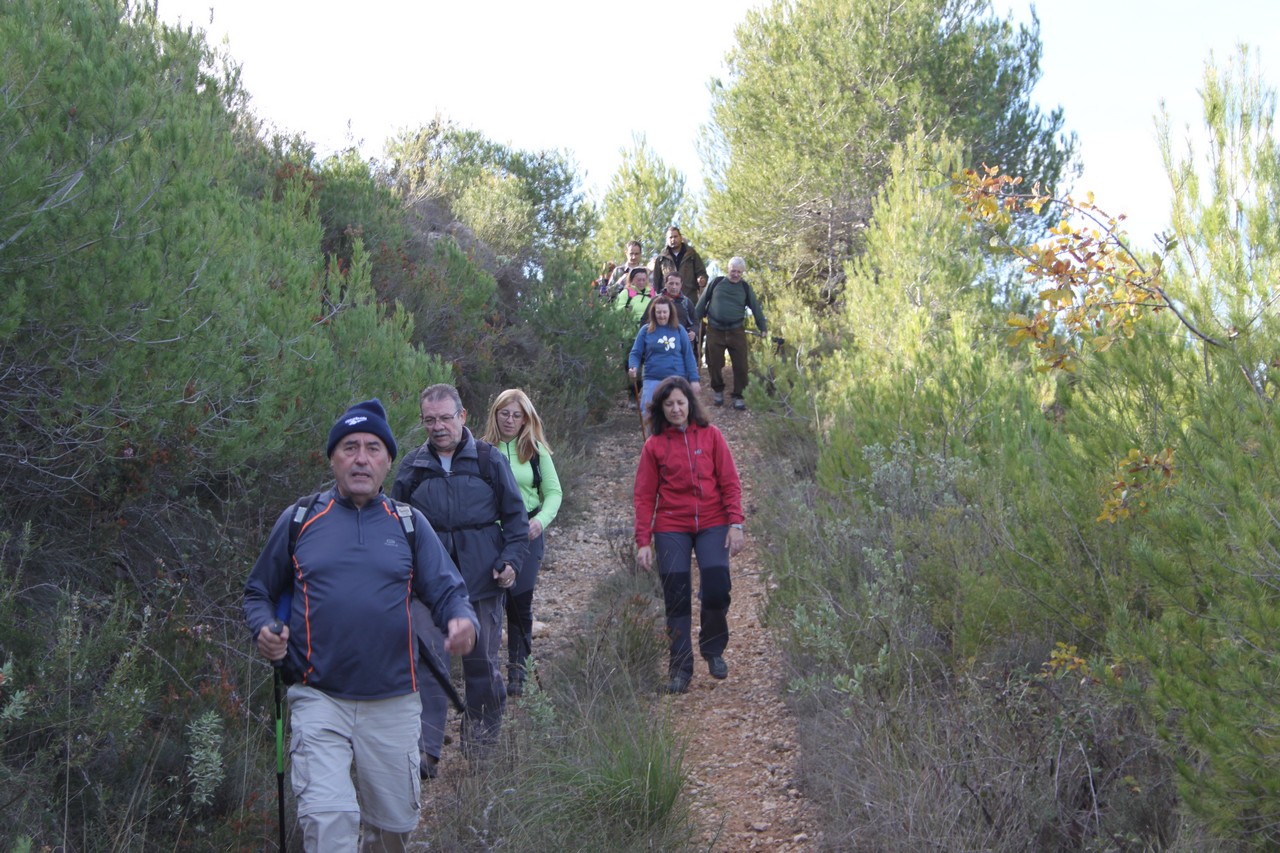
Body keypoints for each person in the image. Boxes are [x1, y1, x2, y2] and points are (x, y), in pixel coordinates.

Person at [244, 398, 479, 851]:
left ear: (388, 461)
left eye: (373, 448)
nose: (361, 458)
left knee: (393, 828)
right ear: (332, 458)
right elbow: (258, 592)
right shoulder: (299, 520)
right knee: (327, 821)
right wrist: (265, 629)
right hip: (318, 696)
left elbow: (448, 591)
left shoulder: (408, 524)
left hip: (392, 699)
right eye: (349, 447)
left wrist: (461, 621)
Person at [392, 384, 529, 774]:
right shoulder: (413, 467)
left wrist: (510, 561)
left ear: (462, 416)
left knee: (482, 665)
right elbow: (395, 527)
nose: (438, 427)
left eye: (445, 418)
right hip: (428, 587)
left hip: (482, 581)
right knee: (428, 663)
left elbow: (516, 520)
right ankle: (426, 751)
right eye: (429, 420)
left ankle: (480, 750)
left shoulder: (488, 460)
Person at [633, 377, 745, 695]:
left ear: (690, 404)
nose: (675, 409)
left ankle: (713, 648)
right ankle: (680, 668)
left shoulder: (711, 436)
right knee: (676, 595)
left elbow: (730, 482)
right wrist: (643, 541)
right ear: (661, 409)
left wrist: (735, 523)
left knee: (717, 587)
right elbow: (644, 496)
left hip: (713, 521)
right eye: (669, 404)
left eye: (680, 403)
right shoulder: (654, 445)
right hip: (671, 525)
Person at [480, 389, 563, 697]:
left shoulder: (535, 451)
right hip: (490, 534)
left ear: (526, 419)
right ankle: (485, 671)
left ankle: (518, 670)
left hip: (527, 533)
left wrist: (540, 521)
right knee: (490, 603)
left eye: (517, 415)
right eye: (505, 413)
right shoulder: (481, 450)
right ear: (495, 415)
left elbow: (553, 493)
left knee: (520, 600)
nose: (510, 420)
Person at [694, 256, 768, 410]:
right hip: (715, 329)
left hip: (736, 330)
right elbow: (702, 303)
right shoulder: (716, 283)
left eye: (739, 272)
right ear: (728, 269)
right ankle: (718, 390)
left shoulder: (745, 288)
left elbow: (756, 308)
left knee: (741, 365)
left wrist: (763, 327)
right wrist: (694, 323)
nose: (736, 274)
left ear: (742, 273)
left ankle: (739, 395)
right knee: (714, 362)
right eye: (733, 271)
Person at [628, 295, 701, 419]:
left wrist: (694, 379)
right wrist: (633, 367)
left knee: (677, 412)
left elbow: (689, 356)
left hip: (677, 378)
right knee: (648, 412)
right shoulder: (645, 330)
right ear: (653, 313)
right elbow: (635, 353)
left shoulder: (679, 330)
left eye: (664, 312)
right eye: (658, 312)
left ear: (670, 312)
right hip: (652, 377)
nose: (661, 315)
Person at [654, 226, 708, 305]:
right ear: (667, 239)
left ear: (680, 237)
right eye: (670, 237)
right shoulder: (661, 258)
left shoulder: (692, 255)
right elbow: (656, 282)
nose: (673, 239)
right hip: (668, 302)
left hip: (689, 299)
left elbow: (701, 272)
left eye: (675, 236)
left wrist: (702, 279)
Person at [660, 271, 697, 348]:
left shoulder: (686, 302)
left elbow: (695, 321)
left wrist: (693, 332)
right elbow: (645, 320)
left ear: (681, 285)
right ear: (665, 284)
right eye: (671, 283)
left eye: (677, 284)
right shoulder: (656, 301)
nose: (674, 287)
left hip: (681, 343)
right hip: (660, 341)